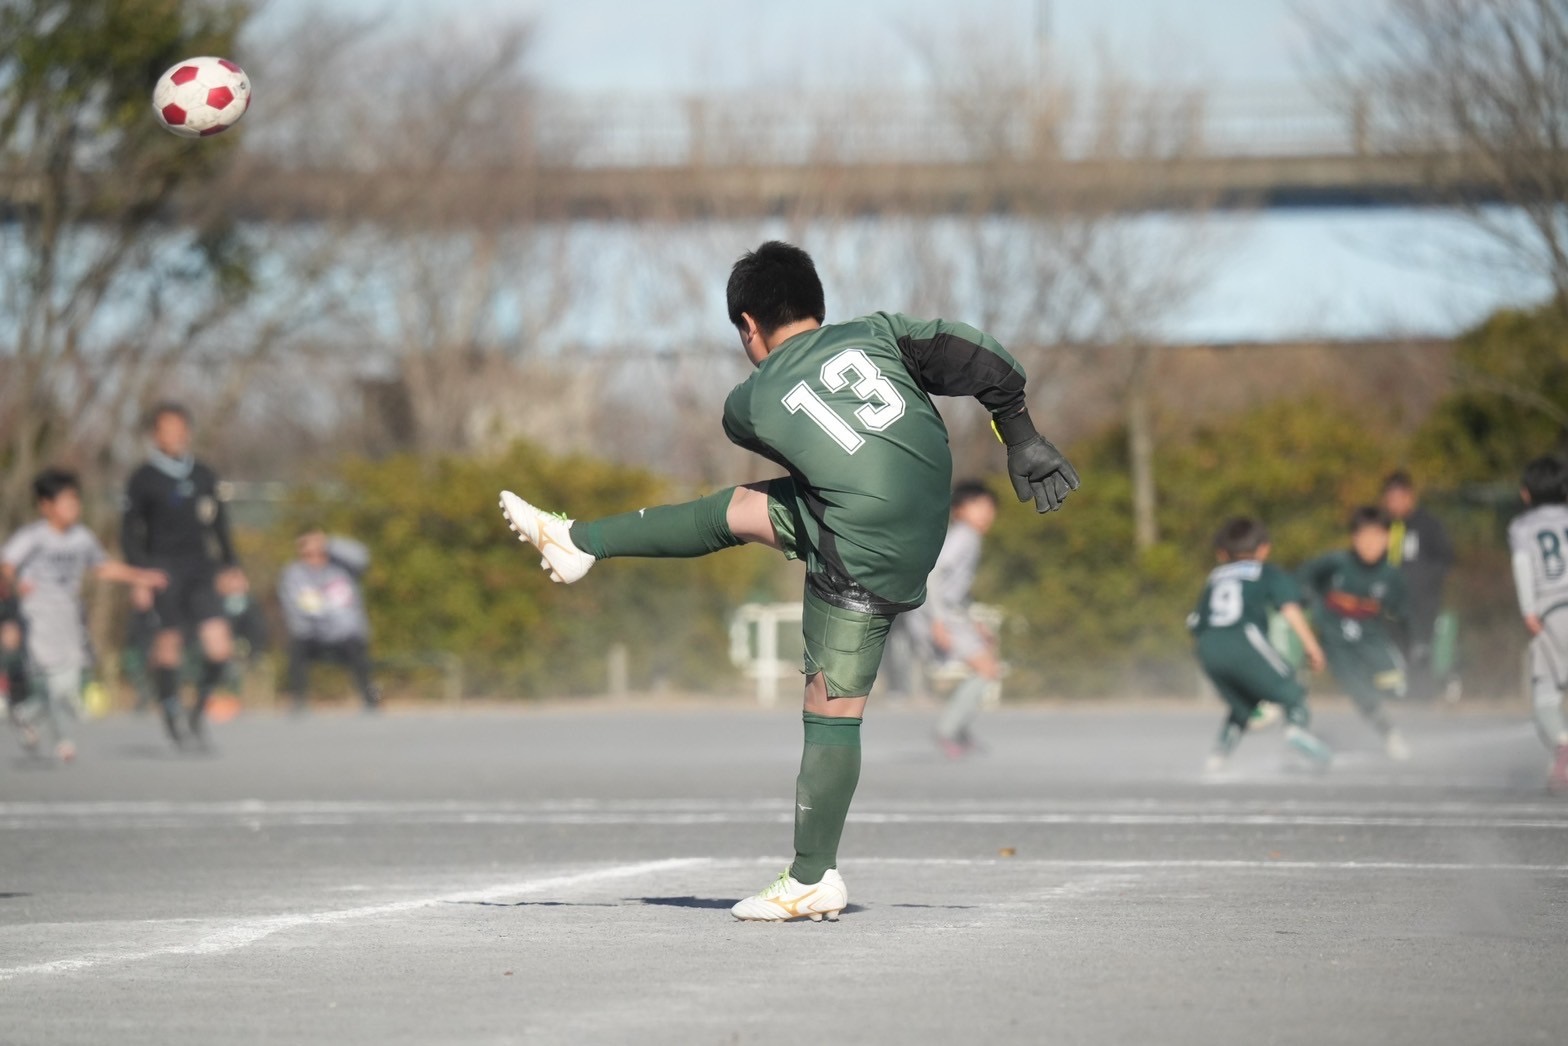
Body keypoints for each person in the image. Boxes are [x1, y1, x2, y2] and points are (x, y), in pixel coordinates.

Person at [498, 241, 1079, 921]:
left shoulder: (750, 399)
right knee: (743, 510)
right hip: (927, 519)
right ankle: (578, 542)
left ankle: (811, 875)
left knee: (832, 706)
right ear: (818, 304)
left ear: (748, 325)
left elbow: (765, 425)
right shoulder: (880, 332)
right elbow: (984, 357)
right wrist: (1022, 433)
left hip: (863, 548)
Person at [1, 469, 165, 762]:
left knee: (69, 686)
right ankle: (63, 742)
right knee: (51, 682)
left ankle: (24, 714)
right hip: (38, 618)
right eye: (66, 502)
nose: (74, 508)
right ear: (46, 506)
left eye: (76, 501)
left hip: (69, 618)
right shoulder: (34, 537)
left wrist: (140, 577)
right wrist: (15, 587)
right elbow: (7, 565)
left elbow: (102, 567)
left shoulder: (82, 538)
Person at [120, 403, 243, 749]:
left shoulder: (203, 474)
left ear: (187, 431)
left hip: (201, 568)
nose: (174, 435)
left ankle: (198, 710)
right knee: (168, 643)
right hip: (162, 569)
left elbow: (219, 524)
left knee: (220, 648)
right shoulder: (143, 478)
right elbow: (129, 532)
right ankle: (171, 710)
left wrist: (232, 565)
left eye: (179, 428)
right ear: (155, 435)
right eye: (166, 429)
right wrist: (140, 576)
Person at [1188, 517, 1331, 773]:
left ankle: (1218, 757)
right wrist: (1313, 646)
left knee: (1243, 704)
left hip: (1207, 646)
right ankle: (1296, 732)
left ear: (1222, 553)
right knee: (1293, 690)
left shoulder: (1215, 577)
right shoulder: (1267, 572)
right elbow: (1290, 609)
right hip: (1243, 639)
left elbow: (1195, 623)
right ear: (1264, 548)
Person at [1299, 507, 1413, 760]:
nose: (1371, 543)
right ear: (1354, 538)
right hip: (1337, 645)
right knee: (1361, 694)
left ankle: (1396, 720)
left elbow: (1403, 616)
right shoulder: (1335, 564)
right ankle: (1390, 733)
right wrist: (1312, 605)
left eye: (1378, 536)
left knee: (1397, 686)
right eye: (1365, 536)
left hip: (1373, 640)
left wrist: (1412, 643)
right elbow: (1303, 579)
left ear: (1387, 539)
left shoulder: (1391, 576)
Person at [915, 481, 1002, 759]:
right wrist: (937, 620)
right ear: (961, 510)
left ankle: (957, 730)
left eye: (991, 509)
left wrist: (974, 620)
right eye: (981, 507)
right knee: (987, 669)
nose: (988, 514)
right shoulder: (963, 535)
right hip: (940, 612)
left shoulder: (968, 537)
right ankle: (948, 730)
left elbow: (957, 587)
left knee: (987, 666)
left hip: (951, 612)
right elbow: (934, 574)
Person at [1506, 456, 1568, 793]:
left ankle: (1563, 747)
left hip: (1553, 611)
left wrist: (1529, 610)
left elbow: (1523, 566)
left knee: (1545, 690)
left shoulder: (1522, 527)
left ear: (1526, 494)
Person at [278, 528, 379, 713]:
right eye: (307, 554)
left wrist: (330, 542)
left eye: (318, 551)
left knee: (358, 650)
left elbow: (363, 556)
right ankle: (298, 700)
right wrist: (315, 627)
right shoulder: (294, 574)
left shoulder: (343, 568)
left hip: (345, 633)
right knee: (296, 647)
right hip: (312, 634)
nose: (313, 558)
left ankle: (370, 699)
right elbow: (296, 608)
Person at [1381, 471, 1454, 699]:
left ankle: (1423, 696)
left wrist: (1426, 581)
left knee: (1420, 649)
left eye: (1398, 497)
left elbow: (1445, 558)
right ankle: (1397, 695)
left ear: (1409, 496)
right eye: (1389, 498)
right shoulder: (1384, 526)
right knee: (1394, 650)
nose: (1393, 503)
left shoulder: (1427, 525)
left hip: (1421, 602)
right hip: (1391, 603)